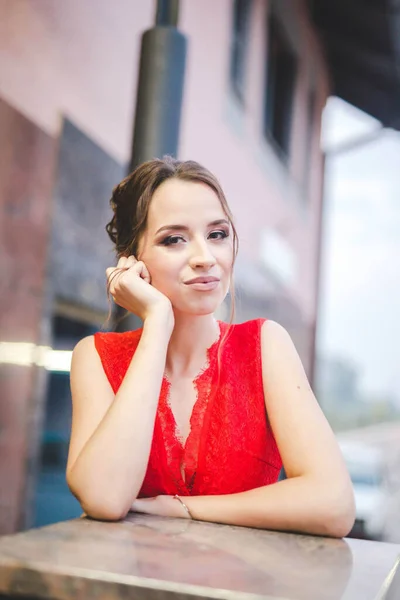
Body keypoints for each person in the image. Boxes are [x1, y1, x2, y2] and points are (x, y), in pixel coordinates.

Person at [66, 157, 355, 537]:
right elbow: (104, 498)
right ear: (132, 262)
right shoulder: (96, 356)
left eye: (217, 234)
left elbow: (333, 504)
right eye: (174, 239)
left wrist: (185, 509)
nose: (205, 258)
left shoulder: (265, 345)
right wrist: (157, 321)